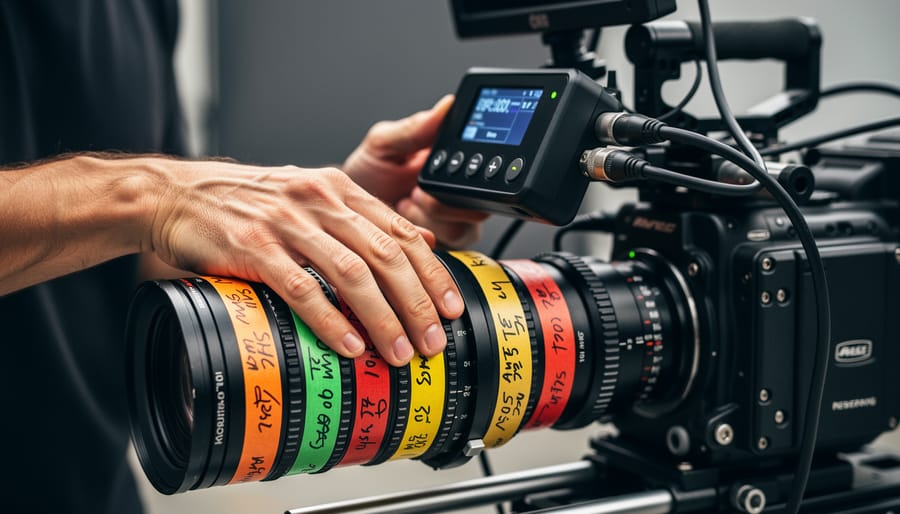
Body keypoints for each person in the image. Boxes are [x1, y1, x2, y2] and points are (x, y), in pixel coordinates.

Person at [0, 1, 487, 512]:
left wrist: (328, 234)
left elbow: (143, 251)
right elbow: (149, 211)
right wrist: (150, 197)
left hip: (95, 491)